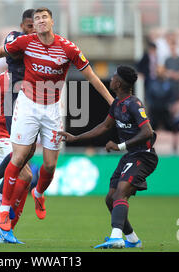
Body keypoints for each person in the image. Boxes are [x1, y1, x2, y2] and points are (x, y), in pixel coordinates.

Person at [0, 7, 114, 243]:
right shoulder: (25, 42)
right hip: (27, 105)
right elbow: (1, 53)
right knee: (19, 156)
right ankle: (4, 213)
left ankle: (39, 192)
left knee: (50, 165)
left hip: (53, 108)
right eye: (37, 19)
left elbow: (92, 77)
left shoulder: (68, 48)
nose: (41, 21)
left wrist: (112, 102)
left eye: (44, 17)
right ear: (33, 25)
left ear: (52, 21)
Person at [59, 66, 158, 249]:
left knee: (121, 193)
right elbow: (104, 127)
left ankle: (116, 237)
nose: (111, 79)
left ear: (118, 83)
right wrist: (76, 137)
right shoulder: (117, 104)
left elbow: (148, 132)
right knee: (110, 198)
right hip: (130, 156)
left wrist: (119, 146)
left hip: (143, 156)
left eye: (113, 77)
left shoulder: (134, 104)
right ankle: (133, 240)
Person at [0, 9, 37, 243]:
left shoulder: (37, 45)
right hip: (4, 115)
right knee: (22, 163)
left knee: (27, 169)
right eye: (29, 25)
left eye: (34, 26)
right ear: (22, 25)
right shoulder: (15, 39)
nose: (32, 29)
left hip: (26, 107)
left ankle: (6, 229)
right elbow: (9, 49)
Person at [145, 65, 174, 131]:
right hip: (154, 109)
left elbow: (171, 96)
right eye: (158, 71)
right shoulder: (151, 83)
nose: (160, 73)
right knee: (152, 128)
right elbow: (148, 96)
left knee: (169, 127)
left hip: (165, 109)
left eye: (162, 71)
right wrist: (151, 105)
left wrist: (169, 105)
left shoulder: (168, 83)